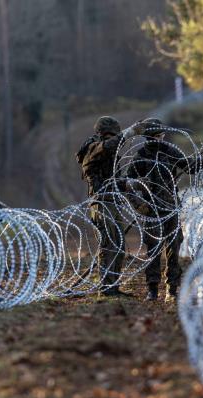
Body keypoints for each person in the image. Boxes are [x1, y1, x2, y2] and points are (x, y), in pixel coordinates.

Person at [126, 118, 201, 302]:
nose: (161, 138)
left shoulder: (169, 150)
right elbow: (127, 183)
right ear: (149, 137)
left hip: (171, 207)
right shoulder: (142, 155)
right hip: (152, 209)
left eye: (161, 135)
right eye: (157, 135)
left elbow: (189, 167)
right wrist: (138, 204)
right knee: (153, 249)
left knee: (173, 248)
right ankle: (152, 289)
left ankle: (172, 289)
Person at [76, 116, 148, 296]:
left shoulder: (109, 155)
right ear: (103, 134)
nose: (113, 141)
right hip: (101, 202)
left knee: (119, 246)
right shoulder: (93, 148)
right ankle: (107, 289)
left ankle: (113, 287)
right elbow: (108, 147)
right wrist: (129, 132)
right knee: (108, 246)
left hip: (112, 202)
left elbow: (115, 181)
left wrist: (133, 186)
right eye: (111, 136)